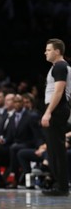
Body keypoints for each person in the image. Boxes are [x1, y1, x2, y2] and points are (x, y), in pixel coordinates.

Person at [41, 38, 70, 196]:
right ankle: (60, 184)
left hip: (56, 108)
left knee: (56, 149)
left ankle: (61, 186)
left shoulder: (59, 66)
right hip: (59, 108)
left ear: (57, 51)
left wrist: (48, 112)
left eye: (49, 49)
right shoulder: (62, 66)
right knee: (55, 148)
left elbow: (59, 91)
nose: (46, 52)